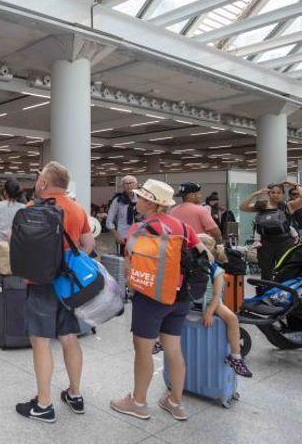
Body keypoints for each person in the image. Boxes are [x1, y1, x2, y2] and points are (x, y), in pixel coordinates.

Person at [110, 179, 208, 422]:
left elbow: (129, 259)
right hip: (180, 297)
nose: (137, 201)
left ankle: (138, 402)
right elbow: (204, 255)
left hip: (151, 299)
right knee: (173, 349)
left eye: (141, 197)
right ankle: (175, 402)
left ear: (151, 202)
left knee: (143, 351)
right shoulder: (184, 228)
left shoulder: (140, 229)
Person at [16, 162, 95, 424]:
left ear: (44, 183)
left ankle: (43, 404)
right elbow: (88, 244)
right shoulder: (76, 208)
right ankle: (74, 393)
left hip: (39, 284)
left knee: (40, 341)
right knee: (70, 337)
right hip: (68, 286)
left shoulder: (31, 208)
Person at [197, 234, 252, 378]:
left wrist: (209, 311)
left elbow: (216, 296)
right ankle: (160, 340)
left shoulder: (217, 270)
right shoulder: (191, 264)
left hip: (212, 302)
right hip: (193, 300)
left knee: (232, 318)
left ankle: (235, 356)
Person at [240, 181, 302, 290]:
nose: (275, 195)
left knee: (285, 270)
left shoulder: (288, 206)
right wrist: (255, 194)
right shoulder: (261, 205)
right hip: (265, 243)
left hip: (285, 243)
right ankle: (265, 296)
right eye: (273, 192)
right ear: (269, 194)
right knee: (266, 272)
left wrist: (295, 185)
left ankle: (284, 296)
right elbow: (243, 207)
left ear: (283, 194)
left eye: (278, 193)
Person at [106, 175, 139, 255]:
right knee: (123, 262)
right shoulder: (118, 200)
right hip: (123, 236)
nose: (128, 185)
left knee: (138, 261)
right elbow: (109, 221)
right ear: (122, 186)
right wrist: (116, 235)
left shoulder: (140, 199)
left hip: (139, 236)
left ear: (136, 185)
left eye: (131, 183)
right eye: (125, 184)